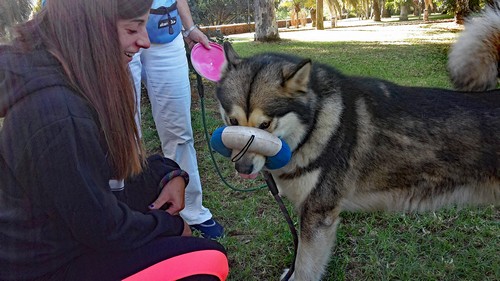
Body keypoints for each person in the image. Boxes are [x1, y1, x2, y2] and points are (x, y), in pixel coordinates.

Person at [0, 0, 228, 280]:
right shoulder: (59, 116)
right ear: (90, 29)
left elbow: (107, 174)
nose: (145, 42)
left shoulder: (71, 79)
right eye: (133, 29)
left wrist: (167, 174)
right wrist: (167, 225)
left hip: (70, 239)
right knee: (205, 262)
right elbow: (102, 228)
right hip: (51, 266)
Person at [129, 0, 224, 239]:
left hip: (165, 30)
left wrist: (189, 27)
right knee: (125, 130)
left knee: (179, 131)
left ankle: (191, 209)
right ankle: (130, 211)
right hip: (115, 27)